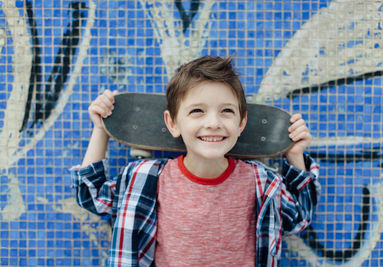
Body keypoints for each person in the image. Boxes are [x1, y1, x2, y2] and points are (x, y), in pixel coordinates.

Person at [71, 55, 320, 267]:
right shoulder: (146, 178)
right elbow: (92, 197)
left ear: (241, 123)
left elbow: (296, 220)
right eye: (197, 111)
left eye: (226, 111)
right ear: (173, 123)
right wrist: (101, 129)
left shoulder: (261, 182)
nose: (213, 122)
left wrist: (294, 155)